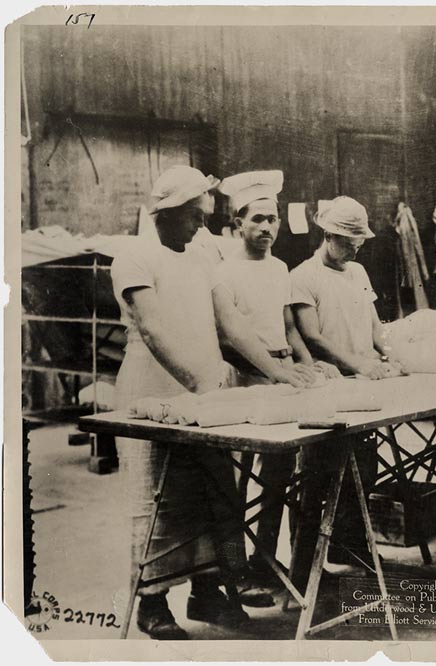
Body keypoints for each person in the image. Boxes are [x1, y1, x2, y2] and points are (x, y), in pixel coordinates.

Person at [111, 166, 273, 640]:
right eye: (194, 217)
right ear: (166, 213)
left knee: (215, 496)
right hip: (150, 390)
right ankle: (152, 603)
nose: (202, 226)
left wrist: (282, 372)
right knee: (156, 500)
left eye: (203, 217)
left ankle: (208, 594)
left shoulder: (204, 256)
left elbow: (232, 325)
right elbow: (153, 330)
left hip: (203, 391)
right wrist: (198, 387)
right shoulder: (134, 257)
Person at [211, 171, 338, 586]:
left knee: (278, 477)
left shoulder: (280, 267)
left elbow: (288, 327)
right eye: (258, 219)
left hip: (280, 377)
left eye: (273, 219)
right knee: (234, 484)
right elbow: (232, 338)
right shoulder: (223, 272)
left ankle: (266, 561)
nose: (267, 228)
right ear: (237, 225)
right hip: (245, 379)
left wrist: (308, 363)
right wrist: (280, 373)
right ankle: (235, 569)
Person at [290, 196, 402, 580]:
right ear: (327, 234)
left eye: (360, 243)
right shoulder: (303, 277)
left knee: (364, 472)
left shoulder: (357, 273)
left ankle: (350, 545)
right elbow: (313, 336)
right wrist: (361, 366)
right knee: (316, 482)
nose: (355, 249)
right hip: (328, 389)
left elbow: (374, 327)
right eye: (348, 241)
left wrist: (388, 357)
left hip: (362, 387)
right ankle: (303, 568)